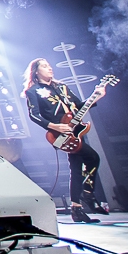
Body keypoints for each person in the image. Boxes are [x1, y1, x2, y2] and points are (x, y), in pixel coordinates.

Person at [24, 58, 106, 223]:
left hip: (74, 130)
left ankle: (76, 209)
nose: (50, 68)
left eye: (50, 65)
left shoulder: (62, 87)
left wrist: (96, 97)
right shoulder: (33, 91)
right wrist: (54, 126)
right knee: (93, 157)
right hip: (59, 133)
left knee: (76, 168)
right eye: (45, 66)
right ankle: (88, 193)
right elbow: (34, 115)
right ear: (36, 71)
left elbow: (79, 105)